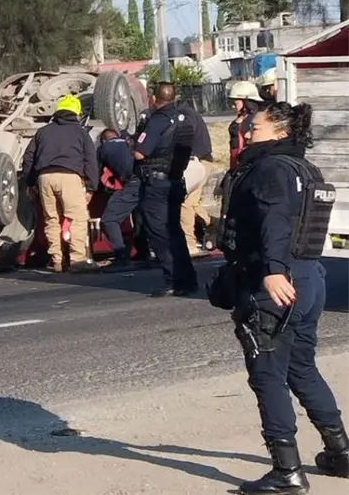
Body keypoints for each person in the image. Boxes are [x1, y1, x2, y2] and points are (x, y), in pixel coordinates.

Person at [209, 102, 348, 494]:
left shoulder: (269, 170)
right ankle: (340, 453)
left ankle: (286, 472)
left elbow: (275, 221)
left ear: (280, 133)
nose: (247, 133)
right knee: (302, 367)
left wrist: (271, 270)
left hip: (277, 282)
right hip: (309, 278)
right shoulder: (305, 169)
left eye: (255, 128)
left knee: (268, 373)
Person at [20, 94, 99, 273]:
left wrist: (30, 183)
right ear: (76, 113)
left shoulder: (43, 132)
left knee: (51, 219)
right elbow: (90, 160)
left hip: (45, 178)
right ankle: (78, 259)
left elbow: (28, 158)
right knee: (76, 218)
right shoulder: (80, 132)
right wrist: (91, 186)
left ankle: (56, 259)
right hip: (69, 177)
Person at [133, 82, 198, 297]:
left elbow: (140, 153)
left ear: (153, 98)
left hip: (156, 183)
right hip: (175, 180)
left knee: (160, 234)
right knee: (175, 232)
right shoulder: (184, 119)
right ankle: (187, 279)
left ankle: (173, 279)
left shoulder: (157, 120)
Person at [97, 129, 138, 271]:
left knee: (109, 220)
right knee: (141, 217)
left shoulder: (104, 148)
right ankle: (144, 254)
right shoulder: (129, 143)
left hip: (132, 184)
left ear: (103, 140)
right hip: (149, 181)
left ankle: (121, 257)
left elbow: (96, 173)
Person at [180, 99, 214, 257]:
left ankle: (189, 243)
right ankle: (212, 223)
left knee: (186, 204)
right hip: (203, 160)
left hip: (197, 162)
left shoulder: (186, 116)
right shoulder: (192, 114)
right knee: (191, 203)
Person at [227, 81, 264, 168]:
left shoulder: (254, 120)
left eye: (235, 103)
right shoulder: (243, 117)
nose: (232, 106)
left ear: (247, 101)